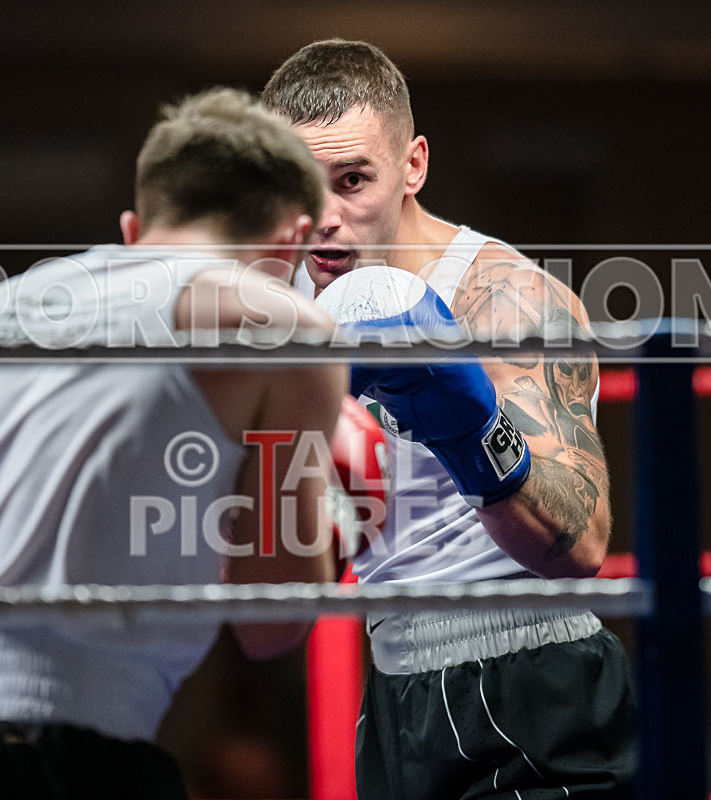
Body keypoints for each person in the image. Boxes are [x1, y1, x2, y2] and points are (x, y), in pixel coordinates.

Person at [0, 88, 349, 799]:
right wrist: (331, 507)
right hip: (66, 748)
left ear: (133, 228)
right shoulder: (283, 326)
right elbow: (271, 621)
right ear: (292, 242)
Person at [263, 41, 637, 798]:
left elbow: (584, 543)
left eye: (354, 181)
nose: (326, 219)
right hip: (394, 686)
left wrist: (472, 434)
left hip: (534, 677)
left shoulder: (503, 300)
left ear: (413, 166)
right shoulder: (282, 304)